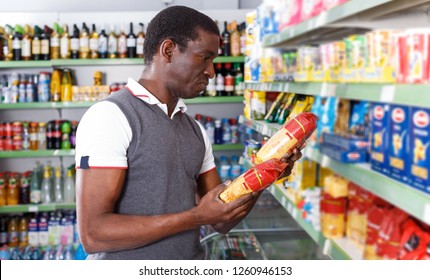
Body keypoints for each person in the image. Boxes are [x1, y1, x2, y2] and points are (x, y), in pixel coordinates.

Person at [75, 5, 302, 260]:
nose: (212, 72)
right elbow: (94, 235)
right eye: (204, 57)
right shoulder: (111, 116)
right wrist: (196, 216)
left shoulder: (195, 130)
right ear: (168, 50)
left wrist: (268, 172)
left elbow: (221, 219)